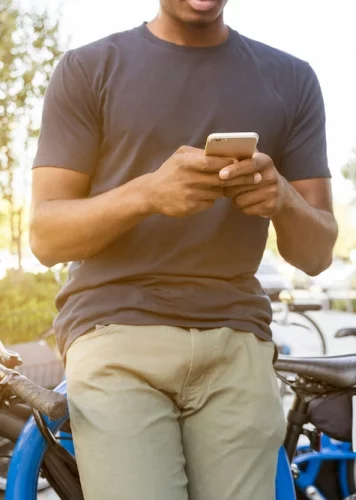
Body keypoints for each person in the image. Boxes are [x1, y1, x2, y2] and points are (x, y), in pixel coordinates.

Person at [29, 0, 338, 498]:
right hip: (117, 334)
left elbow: (317, 253)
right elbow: (46, 236)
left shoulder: (292, 78)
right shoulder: (88, 69)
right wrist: (146, 194)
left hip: (236, 341)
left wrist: (282, 198)